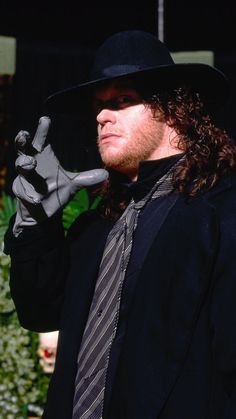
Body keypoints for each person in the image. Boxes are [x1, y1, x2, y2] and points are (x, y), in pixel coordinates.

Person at [4, 30, 236, 419]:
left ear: (175, 112)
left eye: (123, 100)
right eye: (98, 105)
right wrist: (36, 225)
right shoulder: (97, 224)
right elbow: (39, 313)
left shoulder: (222, 217)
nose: (101, 116)